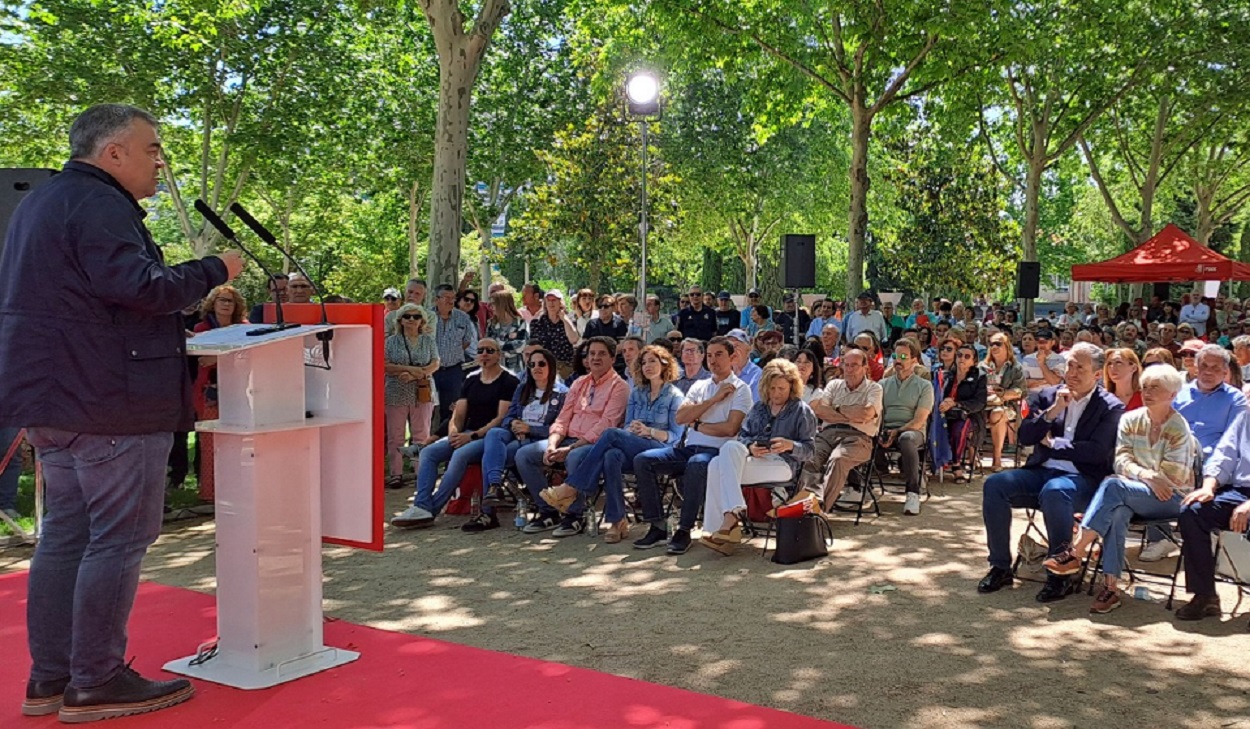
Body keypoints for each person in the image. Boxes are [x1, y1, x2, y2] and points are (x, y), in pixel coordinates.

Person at [0, 104, 243, 720]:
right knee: (116, 540)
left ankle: (51, 679)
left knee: (64, 537)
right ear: (113, 153)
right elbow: (142, 289)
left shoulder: (40, 203)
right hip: (109, 401)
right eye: (153, 148)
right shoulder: (100, 204)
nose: (160, 160)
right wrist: (215, 271)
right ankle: (97, 679)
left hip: (55, 400)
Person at [977, 343, 1124, 603]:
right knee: (996, 485)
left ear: (1097, 374)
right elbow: (1025, 436)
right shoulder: (1047, 395)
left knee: (1056, 492)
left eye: (1081, 367)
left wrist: (1055, 444)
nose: (1074, 372)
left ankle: (1060, 574)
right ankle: (1000, 566)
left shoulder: (1110, 406)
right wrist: (1052, 412)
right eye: (1070, 365)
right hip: (1042, 471)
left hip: (1083, 480)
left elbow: (1097, 452)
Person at [1042, 364, 1194, 614]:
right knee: (1118, 509)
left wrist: (1139, 475)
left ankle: (1075, 553)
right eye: (1145, 387)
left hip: (1172, 497)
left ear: (1172, 394)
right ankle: (1111, 587)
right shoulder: (1130, 419)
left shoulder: (1179, 428)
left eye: (1156, 387)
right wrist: (1145, 474)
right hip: (1133, 492)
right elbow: (1120, 461)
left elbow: (1170, 481)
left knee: (1114, 486)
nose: (1147, 392)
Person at [539, 345, 685, 543]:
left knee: (610, 434)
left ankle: (572, 487)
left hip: (661, 448)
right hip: (635, 444)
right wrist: (633, 431)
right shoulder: (637, 393)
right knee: (611, 455)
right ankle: (618, 520)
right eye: (644, 363)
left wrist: (649, 431)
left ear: (664, 364)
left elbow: (676, 436)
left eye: (653, 361)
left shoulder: (675, 396)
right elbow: (625, 428)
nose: (647, 366)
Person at [632, 336, 753, 554]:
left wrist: (696, 424)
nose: (713, 360)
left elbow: (729, 429)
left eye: (719, 355)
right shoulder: (700, 385)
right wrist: (714, 400)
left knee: (697, 464)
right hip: (688, 447)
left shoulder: (741, 389)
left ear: (732, 357)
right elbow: (680, 417)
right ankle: (657, 524)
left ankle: (684, 530)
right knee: (644, 460)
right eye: (709, 355)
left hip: (716, 452)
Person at [390, 339, 517, 528]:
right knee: (429, 452)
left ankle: (430, 510)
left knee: (460, 455)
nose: (484, 354)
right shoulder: (471, 379)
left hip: (490, 437)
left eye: (490, 350)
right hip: (466, 433)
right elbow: (458, 413)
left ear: (499, 354)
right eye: (481, 350)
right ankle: (421, 505)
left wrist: (471, 436)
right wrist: (453, 433)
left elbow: (501, 417)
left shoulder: (509, 380)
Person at [701, 359, 817, 554]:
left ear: (792, 387)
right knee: (718, 460)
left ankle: (729, 520)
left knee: (720, 463)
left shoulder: (801, 411)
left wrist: (790, 445)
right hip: (755, 460)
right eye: (772, 388)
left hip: (784, 464)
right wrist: (751, 446)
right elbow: (743, 436)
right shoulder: (759, 408)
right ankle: (725, 525)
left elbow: (810, 450)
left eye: (781, 388)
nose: (776, 393)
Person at [517, 337, 630, 537]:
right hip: (567, 439)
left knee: (574, 457)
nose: (595, 358)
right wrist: (552, 443)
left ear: (613, 358)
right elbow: (563, 417)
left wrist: (571, 448)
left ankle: (574, 515)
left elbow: (607, 425)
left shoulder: (619, 387)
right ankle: (548, 510)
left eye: (602, 353)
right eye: (591, 353)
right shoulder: (579, 382)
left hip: (592, 444)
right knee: (524, 454)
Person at [474, 348, 568, 532]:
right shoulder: (523, 388)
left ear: (552, 366)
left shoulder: (562, 393)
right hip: (516, 436)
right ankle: (495, 486)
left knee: (491, 457)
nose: (536, 368)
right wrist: (515, 424)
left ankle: (490, 512)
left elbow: (564, 427)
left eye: (541, 364)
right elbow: (509, 416)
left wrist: (530, 429)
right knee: (493, 435)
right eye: (531, 364)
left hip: (542, 439)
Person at [1175, 409, 1250, 620]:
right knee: (1193, 511)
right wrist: (1208, 487)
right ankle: (1205, 595)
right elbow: (1223, 455)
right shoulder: (1245, 417)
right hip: (1239, 491)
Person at [794, 348, 882, 509]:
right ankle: (804, 503)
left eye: (854, 365)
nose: (849, 369)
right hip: (828, 434)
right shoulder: (834, 385)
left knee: (838, 460)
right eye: (846, 365)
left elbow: (867, 413)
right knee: (809, 457)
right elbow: (820, 411)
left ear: (865, 368)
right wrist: (850, 413)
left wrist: (836, 409)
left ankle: (820, 509)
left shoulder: (874, 388)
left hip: (858, 438)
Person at [190, 284, 248, 501]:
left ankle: (237, 490)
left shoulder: (245, 327)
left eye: (229, 301)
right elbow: (203, 359)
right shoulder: (201, 328)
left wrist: (219, 358)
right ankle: (209, 493)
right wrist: (230, 357)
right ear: (212, 304)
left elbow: (249, 356)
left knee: (238, 443)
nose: (225, 304)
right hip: (209, 392)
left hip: (240, 391)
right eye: (221, 300)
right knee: (209, 444)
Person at [383, 304, 439, 488]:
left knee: (421, 433)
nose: (412, 320)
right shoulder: (391, 341)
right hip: (396, 391)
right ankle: (396, 473)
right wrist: (410, 370)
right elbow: (385, 365)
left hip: (422, 391)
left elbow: (435, 363)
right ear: (400, 320)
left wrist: (416, 374)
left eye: (416, 317)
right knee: (396, 435)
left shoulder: (428, 341)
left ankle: (419, 472)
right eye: (407, 316)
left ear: (422, 320)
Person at [879, 338, 934, 515]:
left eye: (904, 356)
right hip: (886, 428)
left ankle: (912, 492)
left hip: (912, 431)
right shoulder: (882, 385)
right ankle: (856, 487)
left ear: (914, 360)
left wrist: (897, 432)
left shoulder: (924, 386)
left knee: (907, 439)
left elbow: (919, 421)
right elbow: (877, 414)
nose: (898, 360)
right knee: (860, 435)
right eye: (896, 356)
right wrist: (881, 431)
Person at [430, 283, 478, 431]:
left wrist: (452, 352)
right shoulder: (427, 317)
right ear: (436, 299)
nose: (450, 301)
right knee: (427, 408)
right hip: (430, 371)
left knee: (451, 409)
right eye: (446, 298)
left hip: (453, 371)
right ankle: (421, 442)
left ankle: (445, 442)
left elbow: (467, 341)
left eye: (453, 298)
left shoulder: (462, 317)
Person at [940, 343, 987, 483]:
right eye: (959, 355)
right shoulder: (947, 375)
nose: (962, 359)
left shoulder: (979, 377)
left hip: (970, 416)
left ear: (974, 361)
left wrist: (957, 404)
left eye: (967, 356)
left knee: (958, 429)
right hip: (945, 414)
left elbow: (979, 402)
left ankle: (956, 465)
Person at [982, 331, 1026, 472]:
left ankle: (997, 458)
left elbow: (1020, 391)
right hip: (983, 405)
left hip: (1007, 406)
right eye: (991, 344)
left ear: (1007, 346)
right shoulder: (983, 366)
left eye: (998, 343)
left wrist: (1004, 394)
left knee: (998, 413)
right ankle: (971, 458)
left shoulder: (1015, 367)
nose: (994, 346)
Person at [528, 290, 580, 377]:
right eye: (549, 300)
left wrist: (564, 319)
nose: (551, 303)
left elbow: (574, 339)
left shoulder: (570, 319)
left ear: (560, 302)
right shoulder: (537, 322)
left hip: (565, 366)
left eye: (554, 300)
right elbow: (534, 346)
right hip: (545, 365)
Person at [485, 288, 527, 373]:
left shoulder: (520, 323)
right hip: (495, 369)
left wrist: (498, 350)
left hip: (515, 369)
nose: (490, 307)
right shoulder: (491, 324)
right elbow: (488, 345)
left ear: (502, 304)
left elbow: (520, 346)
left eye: (493, 304)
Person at [726, 329, 763, 399]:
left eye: (736, 346)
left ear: (748, 349)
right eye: (729, 347)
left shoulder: (757, 375)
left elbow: (755, 406)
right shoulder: (721, 372)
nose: (732, 351)